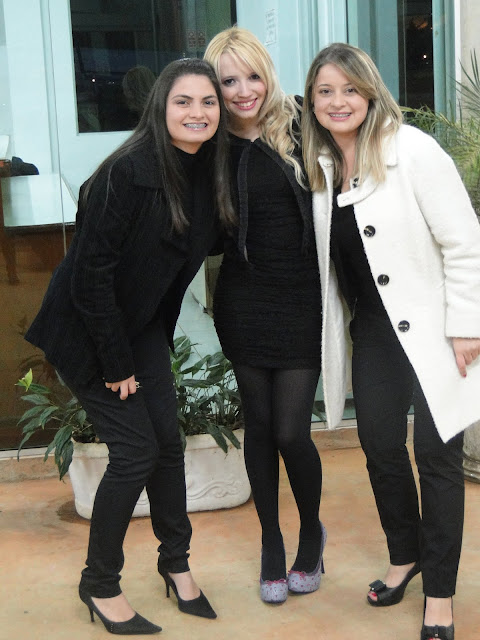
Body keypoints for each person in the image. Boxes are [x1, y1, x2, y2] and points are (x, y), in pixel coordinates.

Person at [25, 57, 235, 635]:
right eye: (183, 102)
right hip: (88, 331)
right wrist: (116, 364)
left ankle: (176, 564)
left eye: (208, 102)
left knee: (167, 442)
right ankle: (99, 583)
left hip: (138, 326)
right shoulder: (127, 172)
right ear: (160, 106)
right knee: (137, 451)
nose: (197, 112)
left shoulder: (205, 170)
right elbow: (90, 277)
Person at [302, 42, 480, 640]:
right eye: (325, 91)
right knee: (379, 445)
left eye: (349, 89)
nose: (338, 101)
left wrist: (467, 325)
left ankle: (440, 592)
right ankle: (405, 555)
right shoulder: (321, 168)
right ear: (312, 102)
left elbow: (465, 243)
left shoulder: (414, 150)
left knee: (436, 456)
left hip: (436, 330)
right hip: (375, 334)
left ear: (371, 92)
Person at [204, 27, 325, 605]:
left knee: (291, 431)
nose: (243, 91)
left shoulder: (302, 125)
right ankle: (271, 542)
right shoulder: (209, 144)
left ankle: (311, 534)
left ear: (268, 75)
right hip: (244, 301)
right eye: (228, 81)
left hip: (303, 300)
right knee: (258, 426)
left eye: (252, 76)